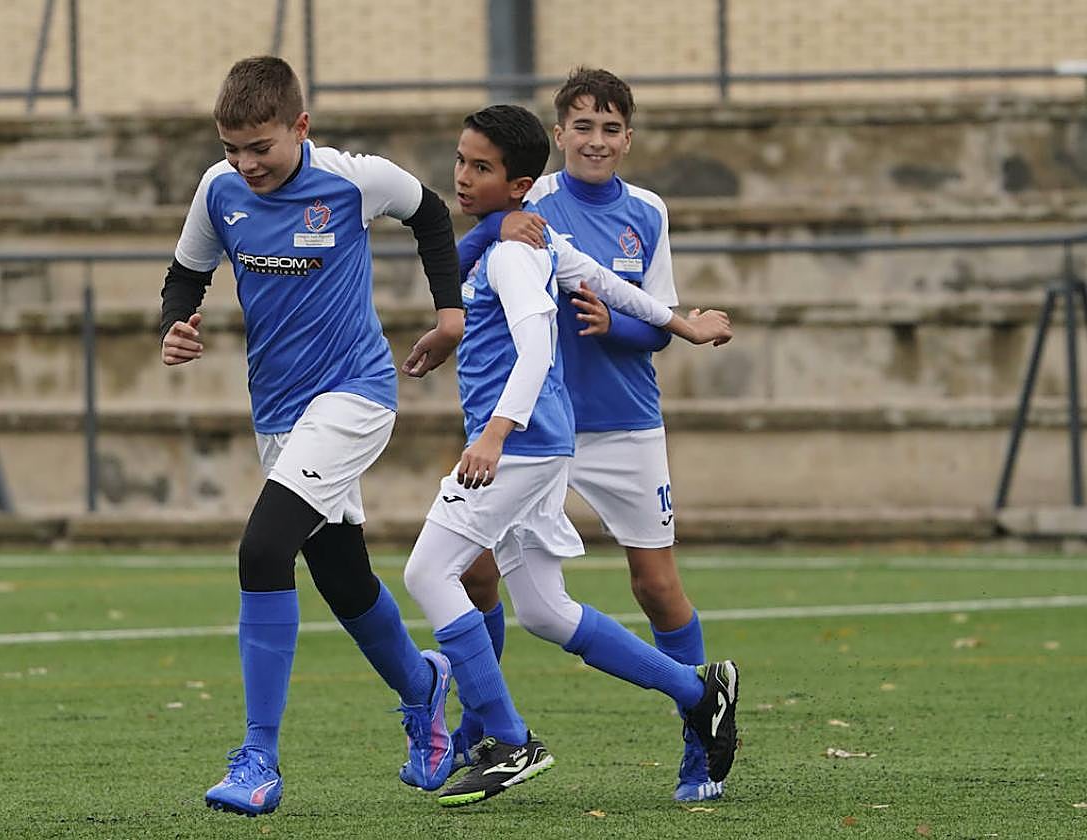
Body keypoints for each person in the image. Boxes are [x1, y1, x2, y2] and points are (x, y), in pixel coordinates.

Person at [400, 103, 738, 808]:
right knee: (547, 613)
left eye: (481, 168)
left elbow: (537, 348)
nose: (463, 177)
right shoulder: (520, 236)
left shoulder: (519, 250)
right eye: (461, 161)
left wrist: (494, 433)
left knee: (430, 572)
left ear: (522, 183)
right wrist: (682, 323)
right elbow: (607, 282)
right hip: (545, 444)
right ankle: (697, 691)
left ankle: (507, 737)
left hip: (523, 445)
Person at [159, 56, 465, 816]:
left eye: (260, 146)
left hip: (356, 397)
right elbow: (185, 273)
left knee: (263, 549)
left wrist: (451, 313)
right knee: (342, 578)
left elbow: (430, 212)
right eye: (231, 147)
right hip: (280, 414)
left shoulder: (352, 181)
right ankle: (424, 689)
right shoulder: (217, 189)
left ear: (301, 127)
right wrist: (175, 323)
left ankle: (257, 757)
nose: (244, 163)